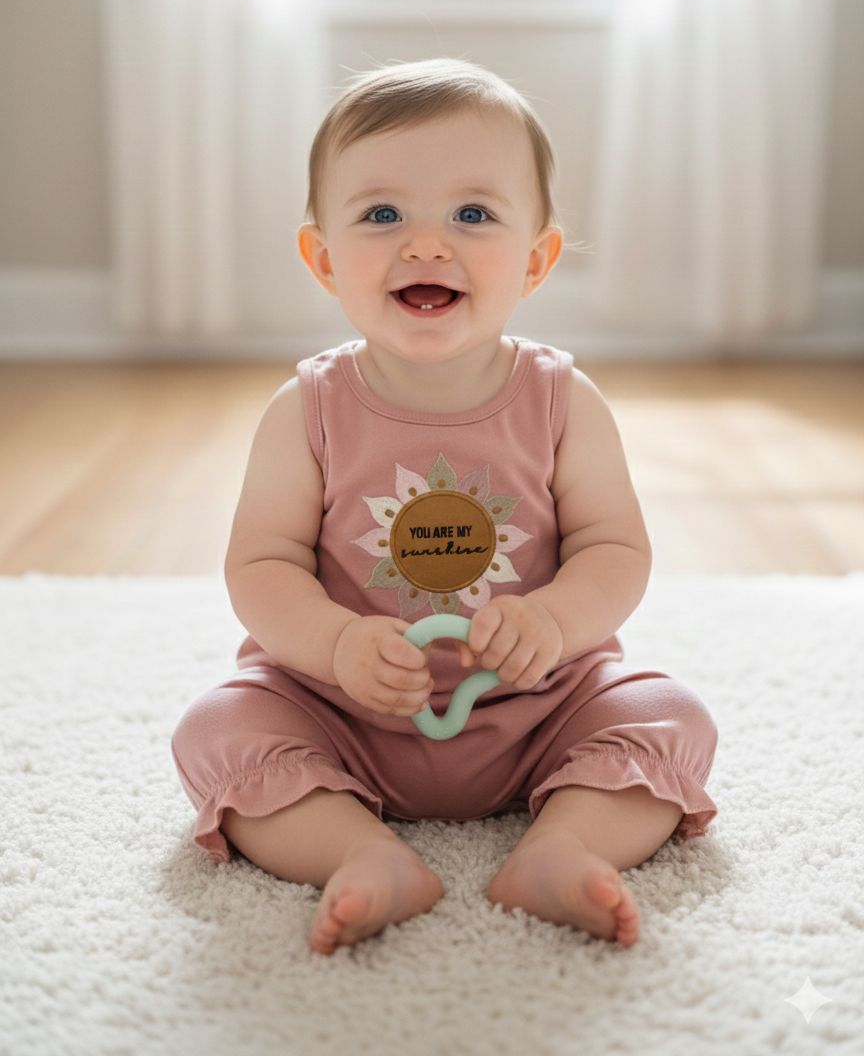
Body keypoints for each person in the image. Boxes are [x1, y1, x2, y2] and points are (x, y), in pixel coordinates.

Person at [171, 57, 719, 955]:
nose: (426, 245)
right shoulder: (306, 409)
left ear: (537, 259)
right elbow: (261, 566)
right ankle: (359, 851)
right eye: (382, 215)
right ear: (323, 257)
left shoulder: (562, 400)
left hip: (538, 706)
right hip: (341, 715)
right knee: (217, 728)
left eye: (473, 214)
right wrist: (338, 645)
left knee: (671, 715)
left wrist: (551, 619)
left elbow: (614, 549)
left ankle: (563, 845)